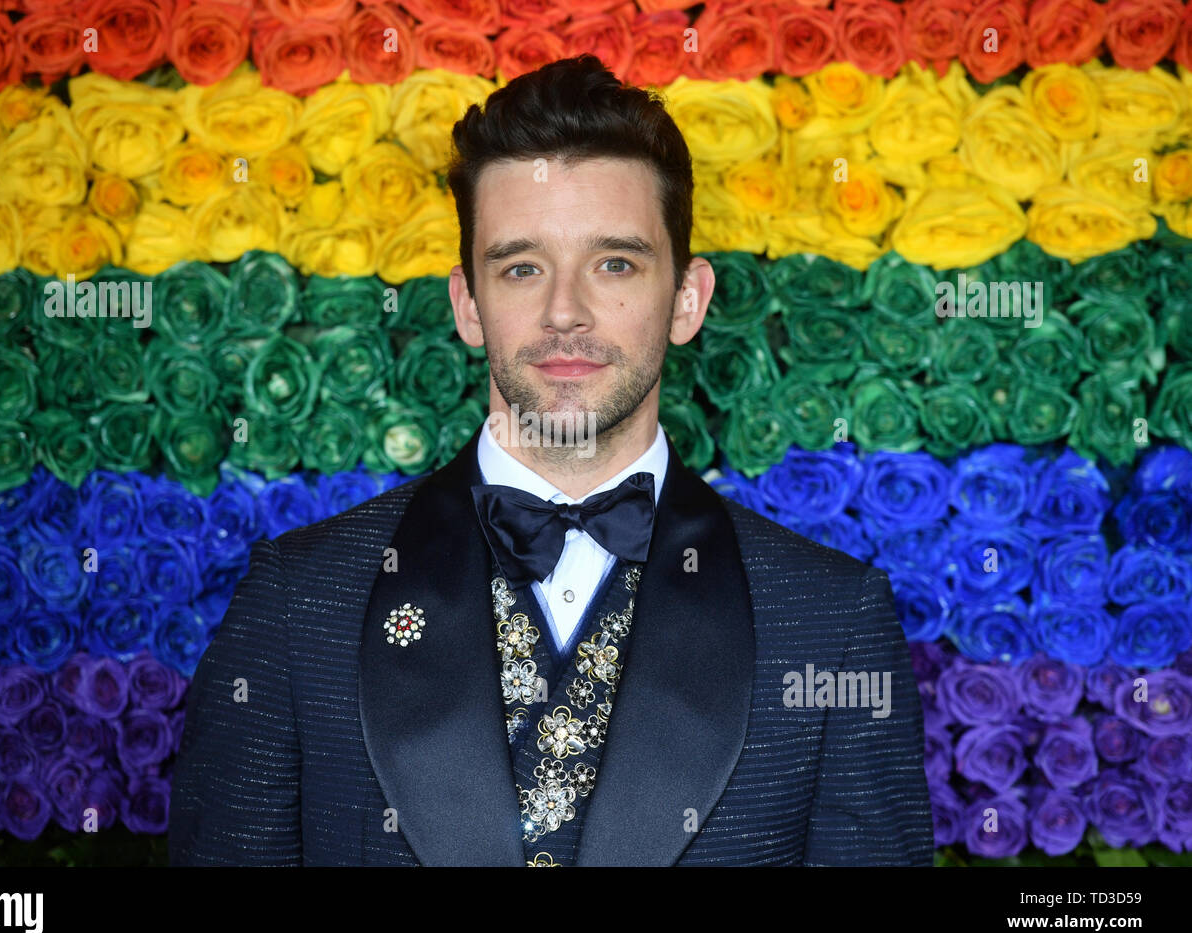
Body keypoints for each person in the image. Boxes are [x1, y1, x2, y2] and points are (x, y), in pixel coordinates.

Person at [169, 54, 933, 866]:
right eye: (523, 267)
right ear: (468, 304)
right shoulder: (297, 603)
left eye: (615, 264)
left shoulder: (831, 622)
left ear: (688, 300)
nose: (565, 311)